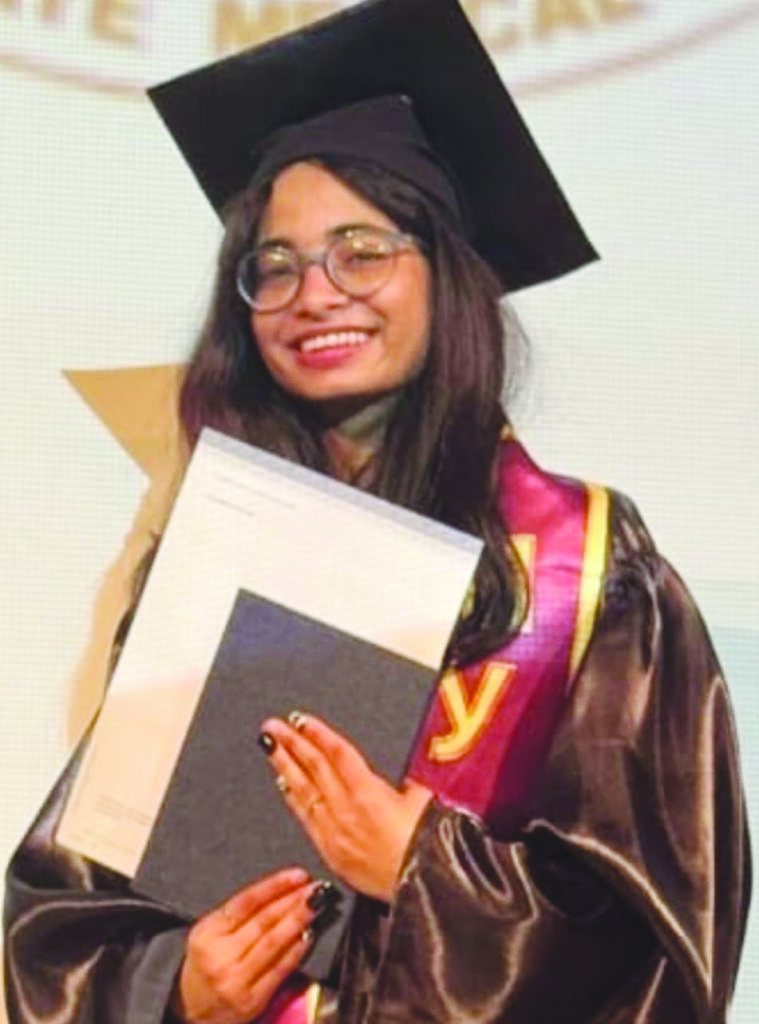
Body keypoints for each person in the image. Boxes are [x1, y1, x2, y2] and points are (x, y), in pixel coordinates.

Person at [3, 0, 750, 1022]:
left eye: (361, 250)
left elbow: (661, 930)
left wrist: (421, 866)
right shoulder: (214, 565)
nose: (315, 294)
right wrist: (174, 988)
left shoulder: (587, 572)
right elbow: (64, 914)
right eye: (275, 265)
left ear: (447, 273)